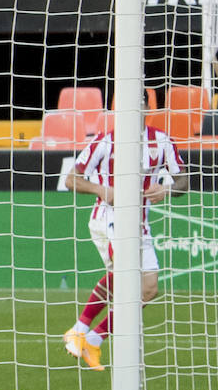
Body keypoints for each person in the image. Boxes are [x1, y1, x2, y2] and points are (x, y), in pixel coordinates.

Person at [61, 120, 187, 371]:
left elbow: (184, 181)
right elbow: (71, 180)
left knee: (148, 289)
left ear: (147, 109)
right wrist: (101, 189)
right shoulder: (105, 141)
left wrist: (167, 189)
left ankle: (92, 340)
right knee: (125, 273)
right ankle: (79, 329)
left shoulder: (161, 140)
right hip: (109, 217)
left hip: (139, 224)